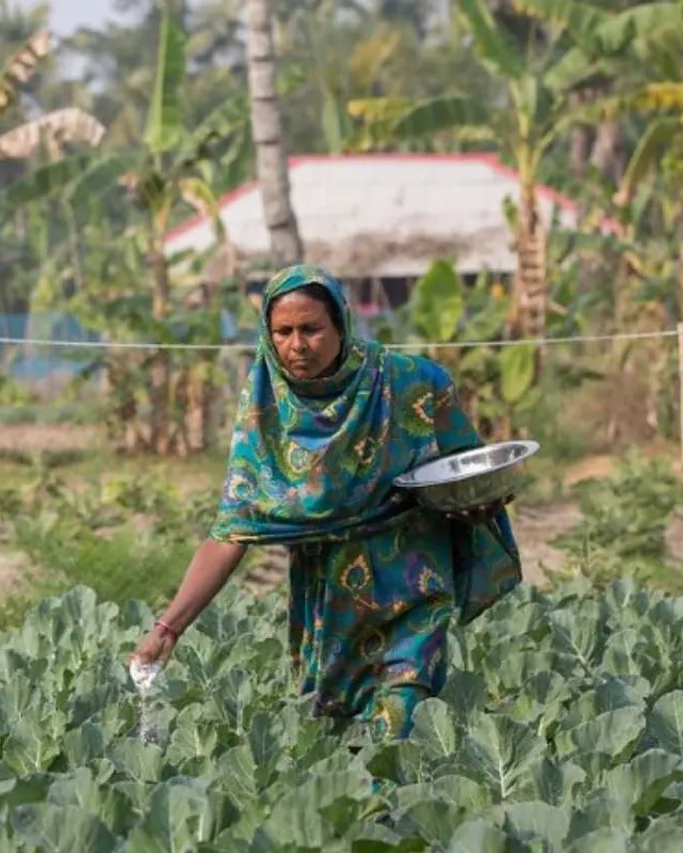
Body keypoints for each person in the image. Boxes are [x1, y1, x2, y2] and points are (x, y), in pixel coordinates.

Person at [129, 264, 522, 741]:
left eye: (311, 329)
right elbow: (233, 530)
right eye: (283, 332)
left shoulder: (411, 383)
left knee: (399, 729)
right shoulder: (265, 410)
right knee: (335, 747)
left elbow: (467, 471)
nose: (297, 345)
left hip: (410, 594)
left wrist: (477, 502)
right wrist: (168, 629)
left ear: (341, 324)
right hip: (328, 612)